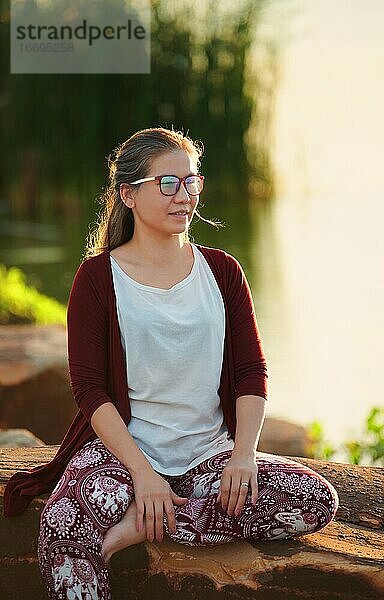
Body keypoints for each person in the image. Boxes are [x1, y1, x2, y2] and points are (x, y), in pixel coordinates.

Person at [4, 127, 339, 600]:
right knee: (62, 527)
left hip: (209, 456)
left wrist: (243, 455)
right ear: (129, 195)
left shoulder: (222, 271)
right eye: (168, 184)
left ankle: (146, 525)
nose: (185, 196)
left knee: (316, 500)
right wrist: (143, 474)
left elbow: (251, 373)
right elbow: (90, 389)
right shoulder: (98, 278)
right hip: (127, 453)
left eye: (192, 182)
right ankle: (153, 511)